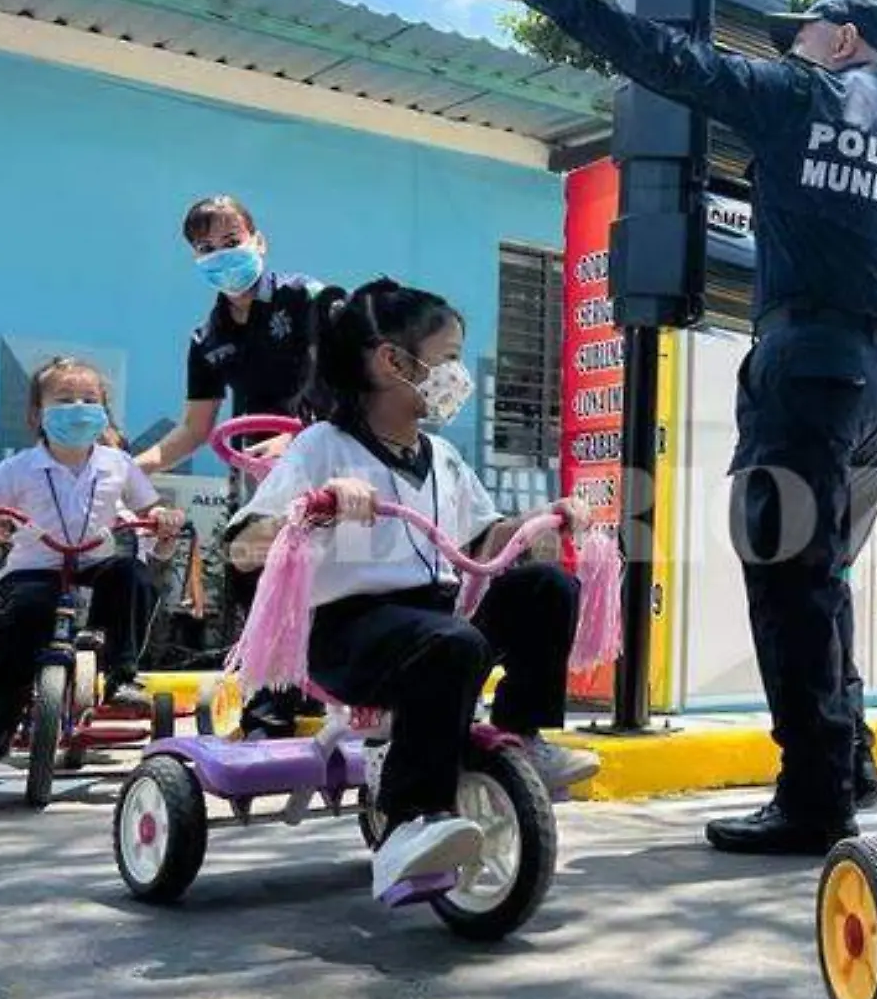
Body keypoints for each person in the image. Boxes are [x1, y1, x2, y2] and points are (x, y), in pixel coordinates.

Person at [477, 0, 877, 853]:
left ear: (840, 42)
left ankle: (813, 798)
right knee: (825, 578)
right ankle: (852, 764)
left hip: (807, 375)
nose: (788, 43)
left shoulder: (801, 95)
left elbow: (669, 60)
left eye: (802, 31)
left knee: (787, 583)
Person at [228, 280, 602, 827]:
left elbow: (481, 540)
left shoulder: (444, 456)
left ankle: (522, 733)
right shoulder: (323, 446)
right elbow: (242, 548)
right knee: (449, 640)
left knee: (548, 587)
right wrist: (316, 507)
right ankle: (410, 814)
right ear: (391, 362)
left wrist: (544, 520)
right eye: (448, 358)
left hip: (437, 623)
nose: (460, 377)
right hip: (349, 635)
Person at [137, 195, 333, 738]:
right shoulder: (207, 340)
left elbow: (359, 370)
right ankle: (274, 696)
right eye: (207, 248)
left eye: (232, 242)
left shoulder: (307, 299)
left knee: (340, 572)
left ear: (258, 242)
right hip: (263, 477)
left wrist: (305, 438)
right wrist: (130, 468)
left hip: (334, 456)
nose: (222, 255)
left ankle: (320, 685)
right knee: (253, 564)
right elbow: (194, 430)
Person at [0, 357, 185, 762]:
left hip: (94, 561)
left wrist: (163, 518)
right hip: (34, 566)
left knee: (132, 575)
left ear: (103, 411)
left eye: (89, 399)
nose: (78, 408)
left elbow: (151, 509)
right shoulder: (17, 468)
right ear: (38, 414)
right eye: (64, 399)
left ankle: (120, 675)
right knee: (25, 612)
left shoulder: (118, 464)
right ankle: (1, 723)